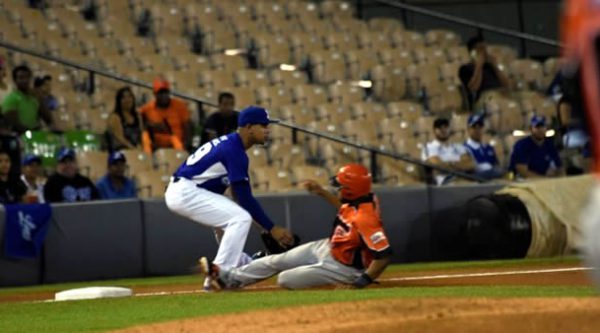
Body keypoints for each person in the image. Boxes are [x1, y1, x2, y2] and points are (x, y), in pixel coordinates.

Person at [199, 163, 392, 290]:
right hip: (330, 246)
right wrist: (322, 192)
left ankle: (342, 281)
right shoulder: (361, 198)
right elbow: (346, 210)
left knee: (285, 279)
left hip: (346, 267)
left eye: (340, 186)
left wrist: (361, 282)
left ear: (351, 189)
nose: (337, 188)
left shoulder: (366, 218)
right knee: (275, 260)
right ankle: (227, 278)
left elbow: (383, 255)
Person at [164, 106, 294, 290]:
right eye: (263, 125)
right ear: (249, 127)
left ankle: (242, 263)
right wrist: (271, 228)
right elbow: (245, 198)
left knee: (231, 220)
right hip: (186, 191)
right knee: (239, 218)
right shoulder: (235, 151)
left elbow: (237, 196)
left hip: (187, 190)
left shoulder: (231, 145)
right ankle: (219, 275)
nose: (268, 130)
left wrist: (263, 229)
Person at [459, 35, 511, 110]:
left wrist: (495, 66)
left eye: (485, 49)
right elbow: (474, 88)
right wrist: (479, 66)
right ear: (472, 53)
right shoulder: (465, 68)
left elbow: (506, 85)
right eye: (480, 49)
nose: (484, 52)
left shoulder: (490, 66)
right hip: (484, 101)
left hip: (499, 96)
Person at [139, 78, 191, 152]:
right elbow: (137, 117)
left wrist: (186, 145)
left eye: (165, 92)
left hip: (177, 145)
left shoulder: (180, 106)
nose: (163, 96)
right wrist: (151, 125)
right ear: (155, 94)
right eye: (160, 93)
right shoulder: (147, 108)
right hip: (157, 147)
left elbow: (187, 126)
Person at [1, 65, 53, 134]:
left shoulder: (35, 97)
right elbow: (12, 123)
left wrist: (40, 100)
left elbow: (48, 119)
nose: (25, 80)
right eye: (21, 78)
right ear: (15, 80)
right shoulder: (10, 99)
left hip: (36, 134)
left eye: (27, 77)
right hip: (20, 137)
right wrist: (30, 132)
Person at [422, 117, 475, 185]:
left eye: (446, 127)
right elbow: (438, 167)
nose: (443, 130)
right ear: (434, 131)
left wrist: (449, 164)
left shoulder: (458, 146)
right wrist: (460, 165)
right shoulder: (429, 147)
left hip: (467, 177)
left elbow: (470, 165)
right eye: (439, 128)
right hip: (446, 180)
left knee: (491, 174)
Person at [463, 114, 505, 180]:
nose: (477, 130)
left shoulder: (488, 148)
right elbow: (470, 168)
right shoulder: (464, 148)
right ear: (468, 129)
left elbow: (496, 164)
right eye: (474, 127)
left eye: (480, 127)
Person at [106, 87, 143, 151]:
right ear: (119, 101)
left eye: (129, 97)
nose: (127, 100)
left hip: (135, 150)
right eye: (124, 97)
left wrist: (139, 148)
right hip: (120, 151)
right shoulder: (115, 117)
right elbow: (119, 138)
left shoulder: (137, 116)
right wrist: (132, 148)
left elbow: (141, 136)